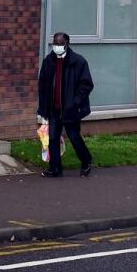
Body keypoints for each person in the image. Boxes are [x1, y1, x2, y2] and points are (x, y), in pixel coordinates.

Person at [36, 31, 95, 178]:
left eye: (60, 44)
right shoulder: (49, 61)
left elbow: (86, 84)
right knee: (53, 138)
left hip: (70, 109)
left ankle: (86, 161)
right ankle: (55, 168)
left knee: (74, 137)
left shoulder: (78, 62)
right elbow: (43, 86)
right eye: (55, 43)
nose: (57, 46)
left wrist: (75, 102)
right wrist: (43, 110)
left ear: (67, 44)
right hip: (54, 108)